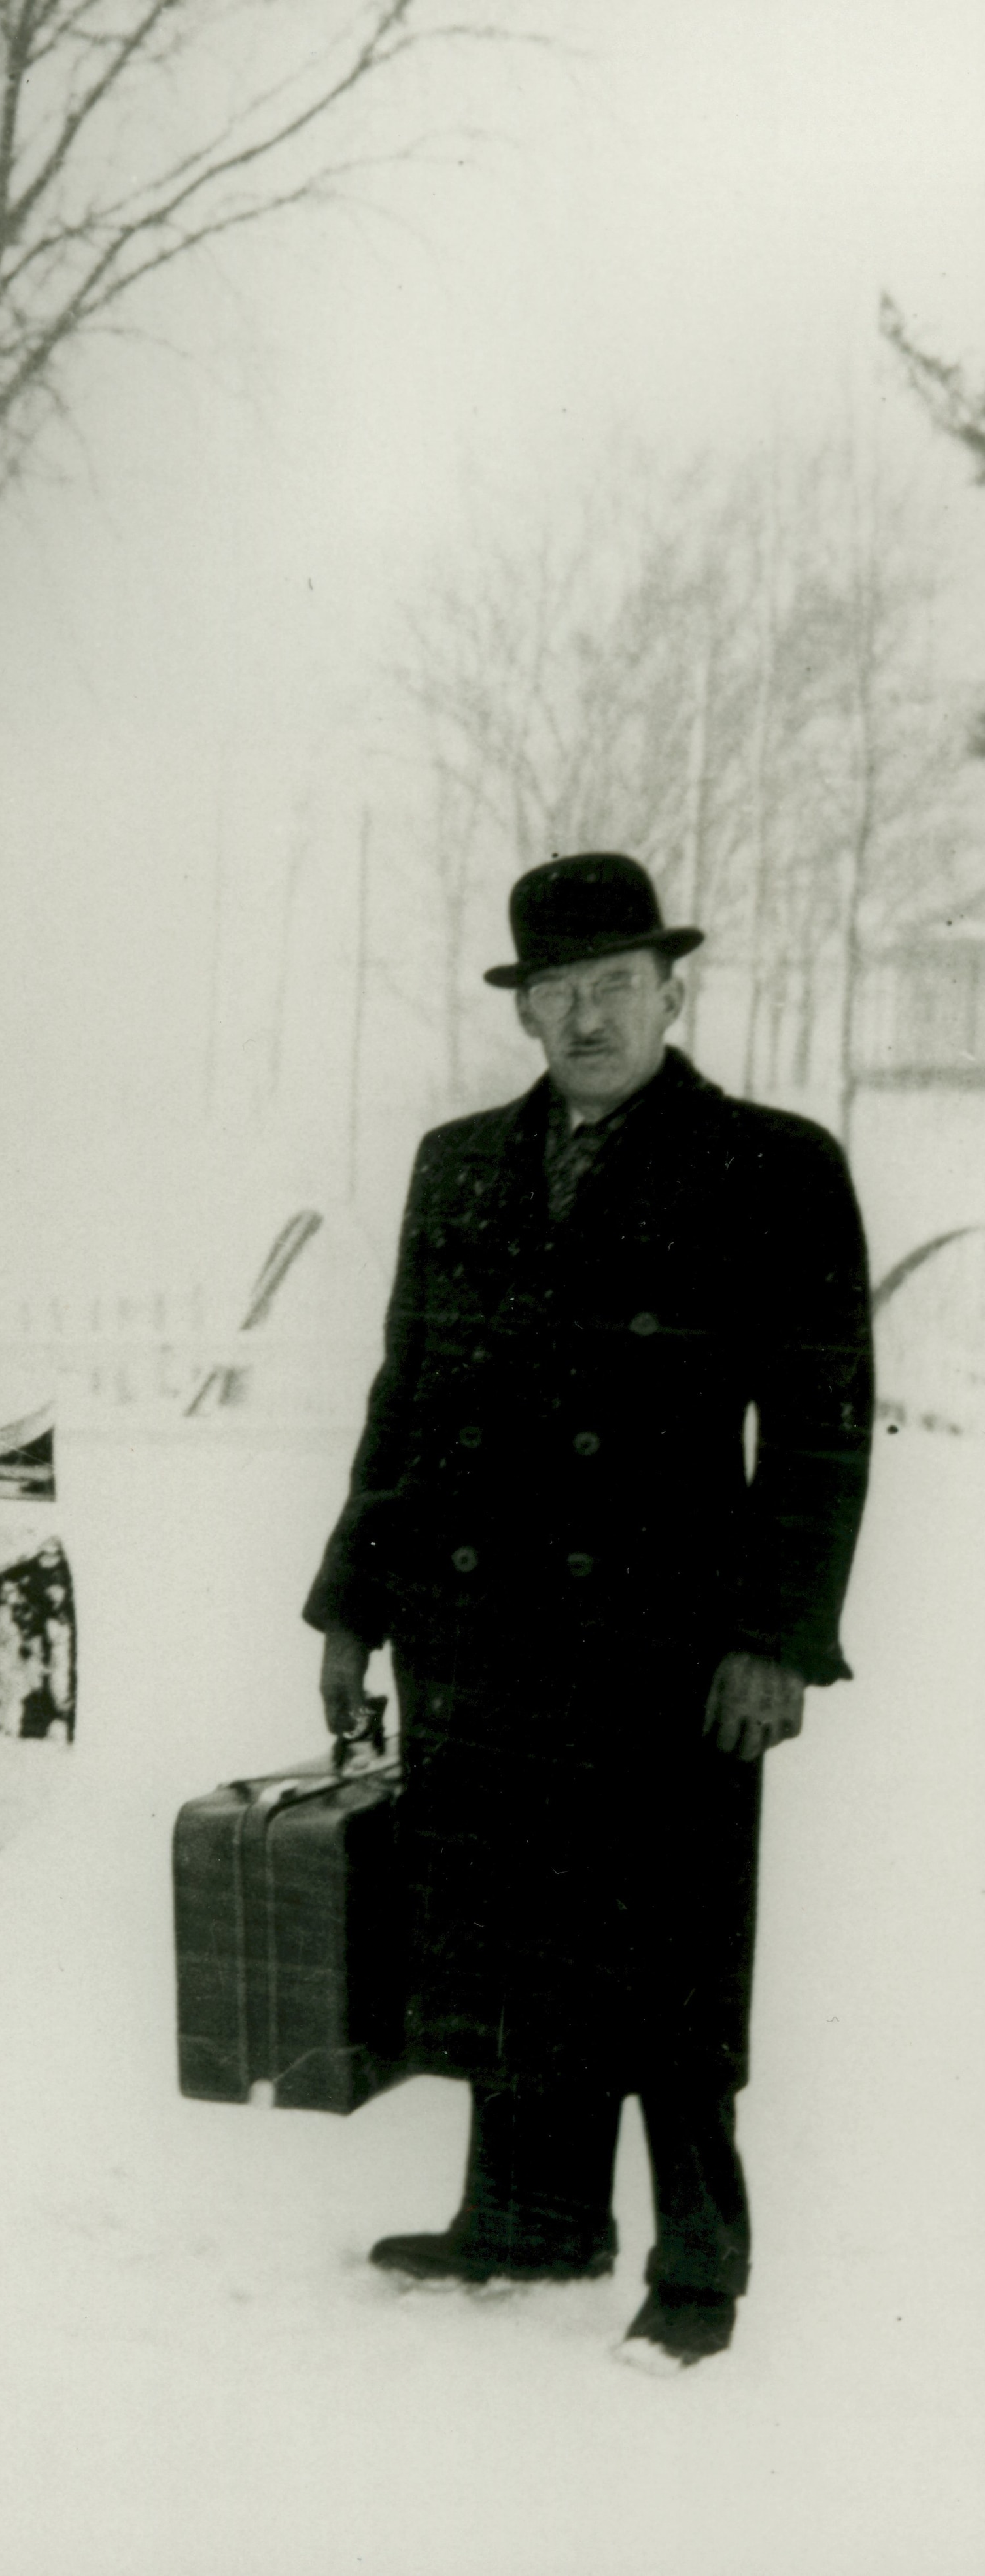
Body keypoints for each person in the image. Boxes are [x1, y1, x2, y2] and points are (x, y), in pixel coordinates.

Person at [305, 851, 873, 2370]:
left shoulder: (773, 1163)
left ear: (670, 992)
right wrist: (350, 1607)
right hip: (475, 1628)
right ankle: (529, 2213)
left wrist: (774, 1637)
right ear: (523, 1009)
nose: (581, 1016)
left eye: (610, 985)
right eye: (553, 991)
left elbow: (820, 1427)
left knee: (667, 1958)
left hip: (663, 1642)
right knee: (497, 1929)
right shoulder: (457, 1162)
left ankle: (699, 2262)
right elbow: (404, 1397)